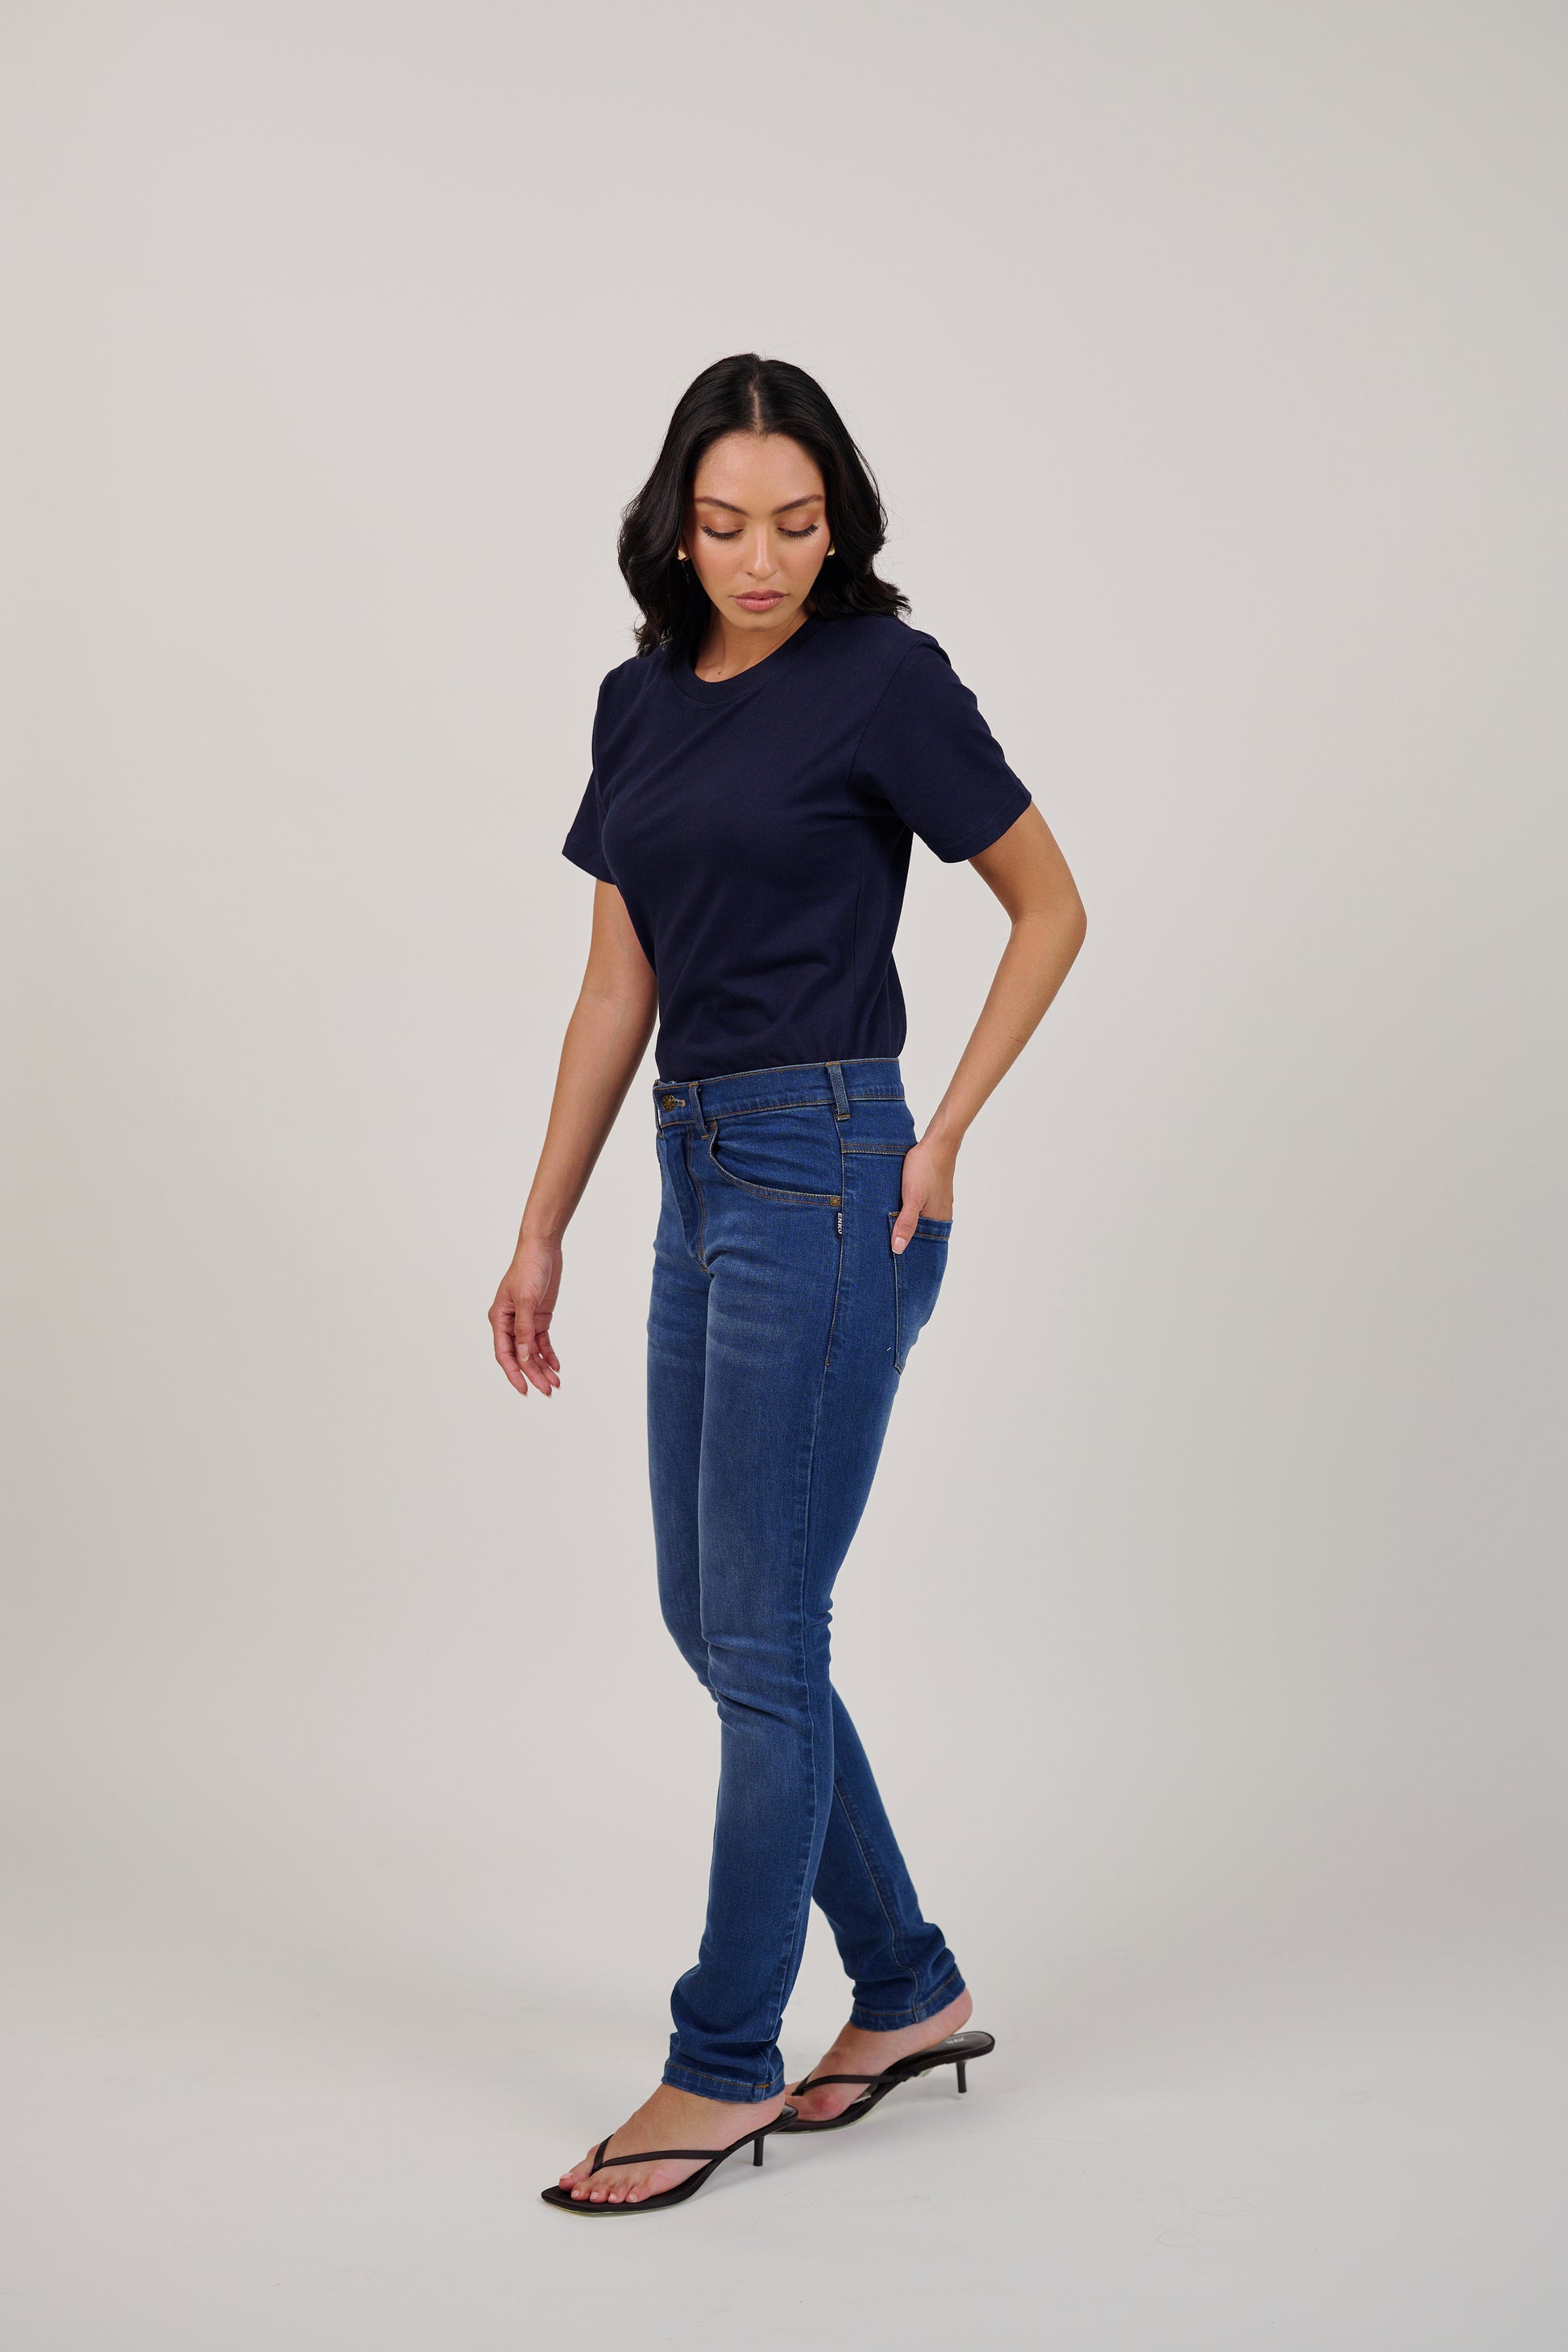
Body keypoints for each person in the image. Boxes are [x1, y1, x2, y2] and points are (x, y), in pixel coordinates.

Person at [490, 355, 1087, 2214]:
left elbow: (1049, 901)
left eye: (800, 521)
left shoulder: (884, 681)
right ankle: (905, 1988)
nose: (763, 556)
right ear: (678, 520)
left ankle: (720, 2059)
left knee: (761, 1638)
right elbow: (616, 985)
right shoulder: (638, 698)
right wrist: (543, 1221)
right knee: (716, 1614)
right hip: (692, 1165)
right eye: (730, 521)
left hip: (837, 1167)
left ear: (844, 518)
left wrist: (945, 1131)